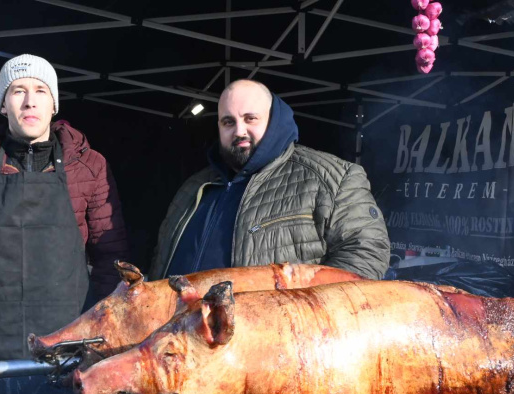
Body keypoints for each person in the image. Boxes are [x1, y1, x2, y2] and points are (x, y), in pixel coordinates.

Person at [0, 54, 129, 365]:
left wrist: (100, 328)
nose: (29, 102)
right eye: (18, 90)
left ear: (54, 104)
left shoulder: (89, 168)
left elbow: (111, 259)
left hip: (72, 346)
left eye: (40, 91)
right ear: (4, 104)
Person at [150, 79, 390, 281]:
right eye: (228, 121)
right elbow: (160, 260)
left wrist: (296, 315)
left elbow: (366, 254)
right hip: (182, 331)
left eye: (250, 118)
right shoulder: (194, 187)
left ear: (273, 120)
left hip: (276, 333)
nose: (239, 131)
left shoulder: (332, 178)